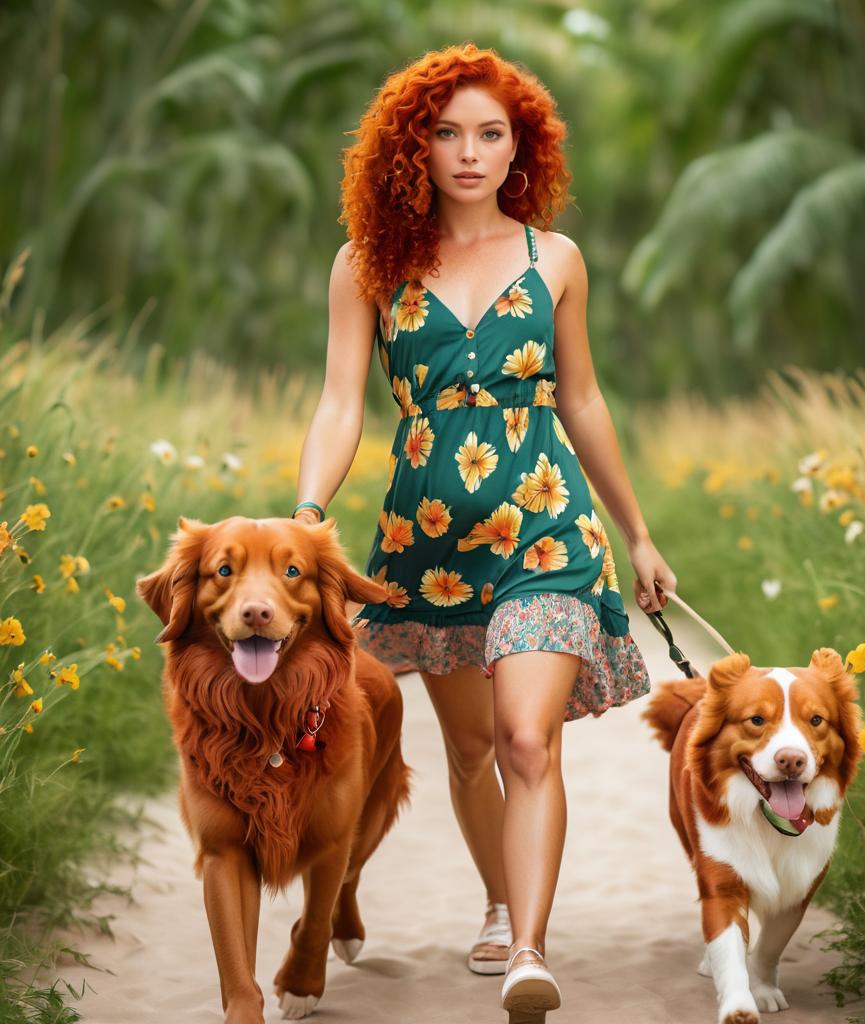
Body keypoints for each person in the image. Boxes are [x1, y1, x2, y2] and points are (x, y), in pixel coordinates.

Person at [293, 42, 676, 1022]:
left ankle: (529, 954)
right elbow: (341, 405)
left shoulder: (556, 261)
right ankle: (502, 900)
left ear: (522, 148)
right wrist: (306, 511)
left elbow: (583, 403)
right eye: (447, 132)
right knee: (468, 753)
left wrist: (636, 534)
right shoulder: (367, 264)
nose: (468, 152)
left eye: (490, 134)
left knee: (523, 739)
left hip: (546, 529)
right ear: (411, 145)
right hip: (427, 547)